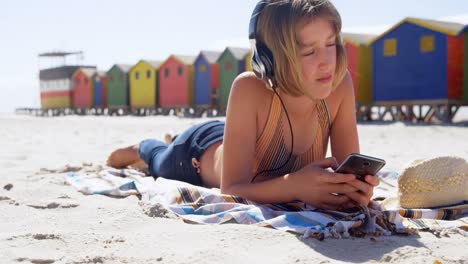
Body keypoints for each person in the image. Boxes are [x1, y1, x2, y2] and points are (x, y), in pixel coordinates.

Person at [106, 0, 380, 211]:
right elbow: (231, 188)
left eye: (331, 44)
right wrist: (295, 186)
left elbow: (349, 171)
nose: (326, 62)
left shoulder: (339, 85)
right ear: (269, 59)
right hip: (197, 154)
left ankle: (170, 138)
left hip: (237, 133)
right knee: (158, 161)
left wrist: (356, 189)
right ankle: (148, 146)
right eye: (309, 50)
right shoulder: (249, 88)